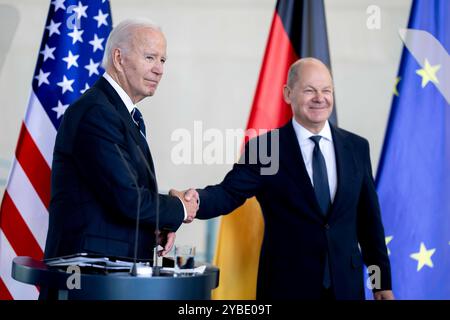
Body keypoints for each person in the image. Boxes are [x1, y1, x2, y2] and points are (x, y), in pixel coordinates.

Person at [171, 58, 394, 300]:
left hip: (346, 289)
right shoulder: (267, 149)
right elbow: (228, 194)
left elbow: (369, 223)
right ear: (288, 94)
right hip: (286, 287)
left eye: (326, 90)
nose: (320, 98)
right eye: (309, 90)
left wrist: (380, 284)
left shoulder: (356, 147)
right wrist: (191, 201)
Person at [44, 19, 198, 263]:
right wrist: (179, 207)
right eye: (150, 57)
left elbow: (117, 194)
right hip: (88, 276)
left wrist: (155, 227)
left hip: (113, 271)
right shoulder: (97, 112)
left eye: (162, 60)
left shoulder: (122, 114)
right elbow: (127, 198)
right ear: (119, 58)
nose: (159, 69)